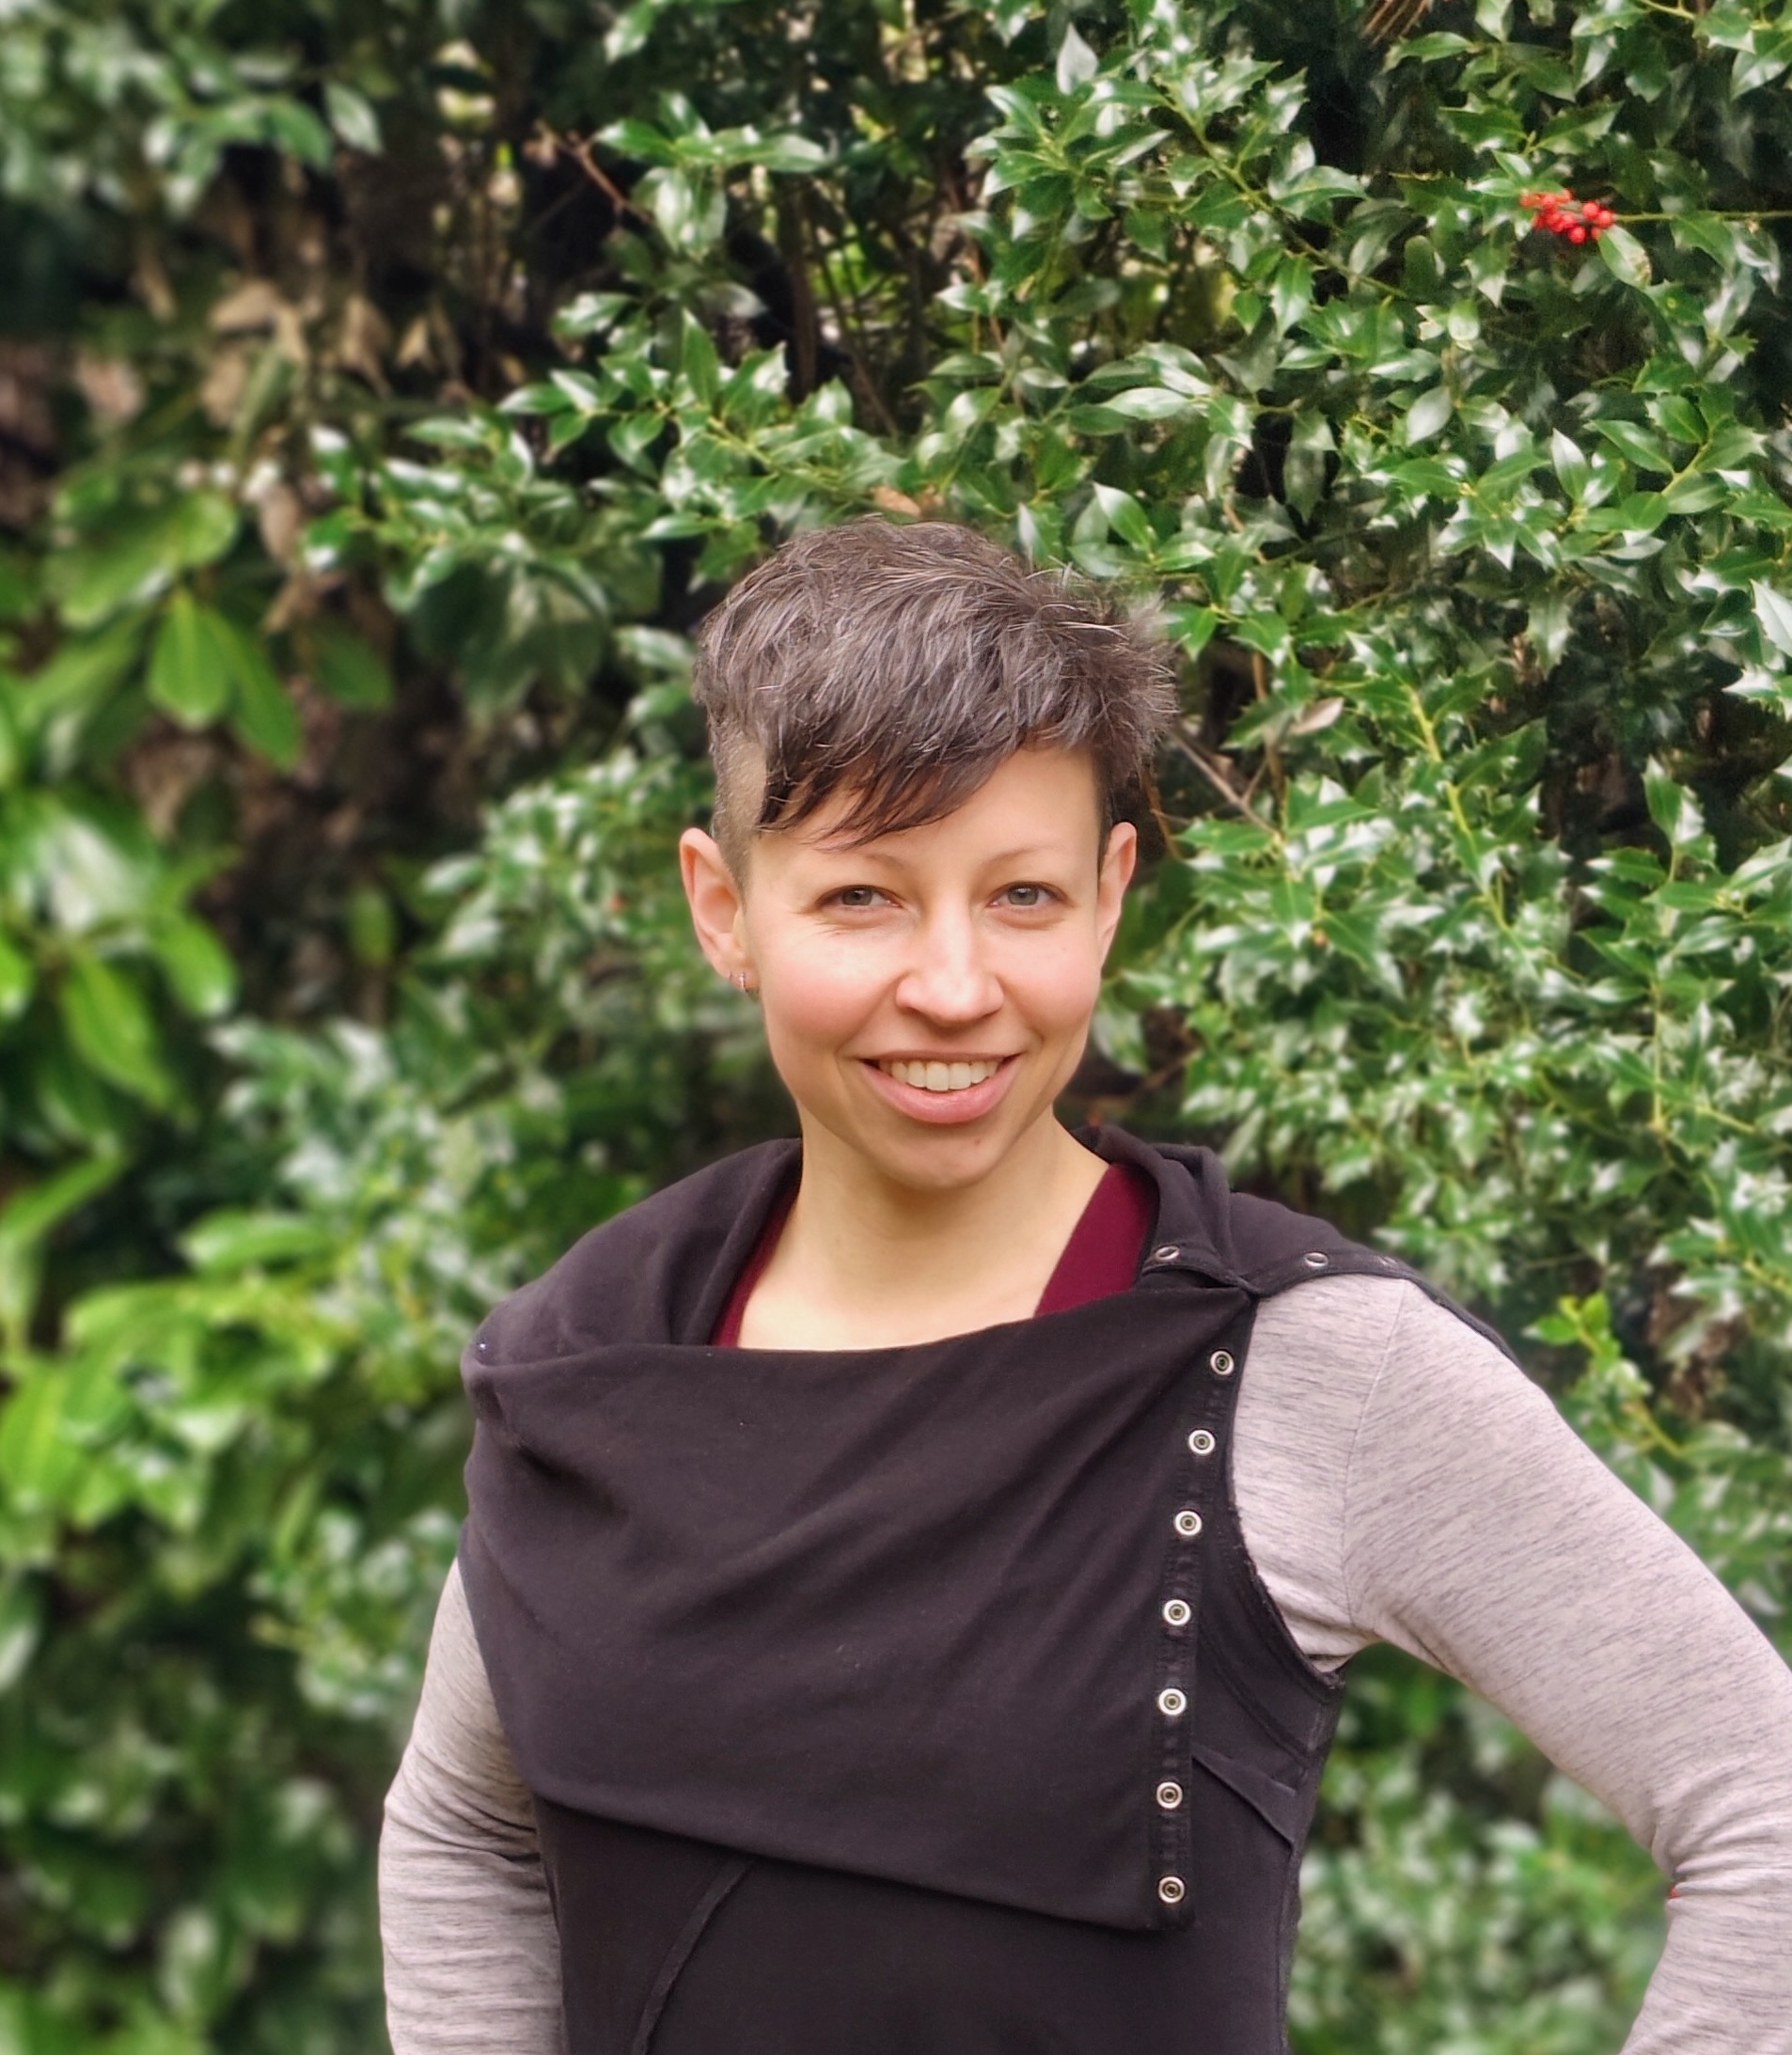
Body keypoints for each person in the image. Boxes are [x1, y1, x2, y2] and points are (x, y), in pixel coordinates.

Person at [379, 519, 1792, 2055]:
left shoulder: (1307, 1368)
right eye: (861, 897)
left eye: (1022, 896)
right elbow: (466, 1827)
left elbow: (1762, 1809)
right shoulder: (590, 1358)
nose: (952, 986)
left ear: (1109, 894)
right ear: (723, 908)